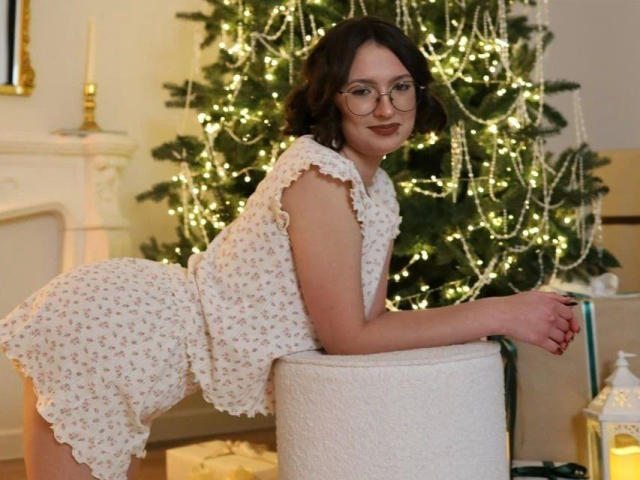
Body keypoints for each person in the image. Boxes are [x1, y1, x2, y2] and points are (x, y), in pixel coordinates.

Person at [0, 15, 579, 480]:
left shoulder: (377, 189)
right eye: (362, 91)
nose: (386, 109)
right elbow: (348, 338)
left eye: (400, 87)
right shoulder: (319, 174)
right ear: (330, 99)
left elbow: (369, 322)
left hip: (138, 345)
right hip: (110, 329)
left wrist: (498, 316)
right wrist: (501, 312)